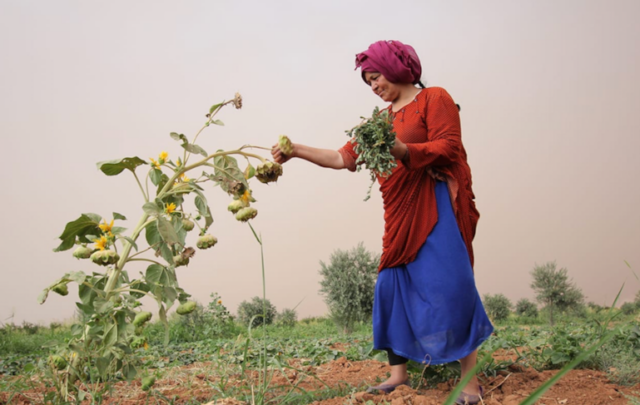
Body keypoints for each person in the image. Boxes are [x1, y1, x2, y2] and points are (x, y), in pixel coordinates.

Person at [271, 40, 494, 405]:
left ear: (396, 67)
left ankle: (470, 383)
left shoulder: (433, 99)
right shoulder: (379, 122)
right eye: (368, 82)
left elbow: (450, 145)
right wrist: (295, 150)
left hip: (433, 205)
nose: (374, 86)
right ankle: (397, 375)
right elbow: (343, 158)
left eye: (376, 77)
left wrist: (404, 151)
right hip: (399, 213)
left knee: (453, 286)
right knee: (391, 287)